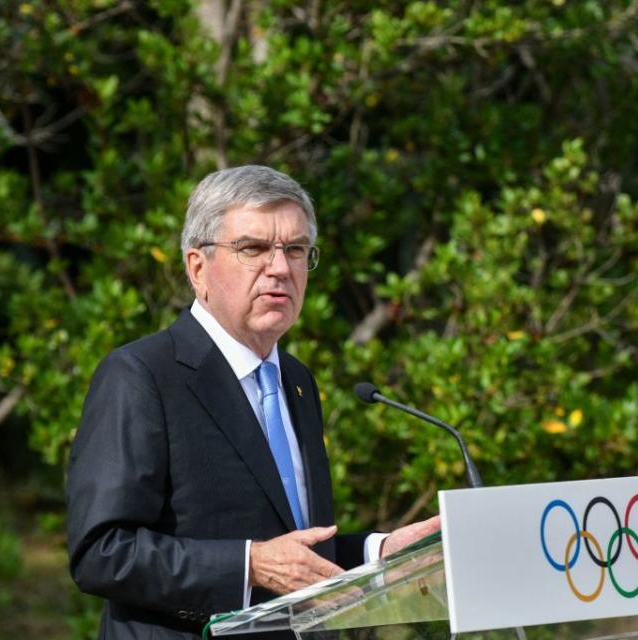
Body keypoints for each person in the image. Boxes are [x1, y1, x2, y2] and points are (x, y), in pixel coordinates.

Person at [66, 165, 440, 639]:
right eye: (253, 248)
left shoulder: (297, 381)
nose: (281, 268)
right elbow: (101, 553)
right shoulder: (142, 376)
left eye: (296, 249)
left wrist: (378, 551)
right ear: (197, 267)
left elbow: (293, 553)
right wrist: (249, 565)